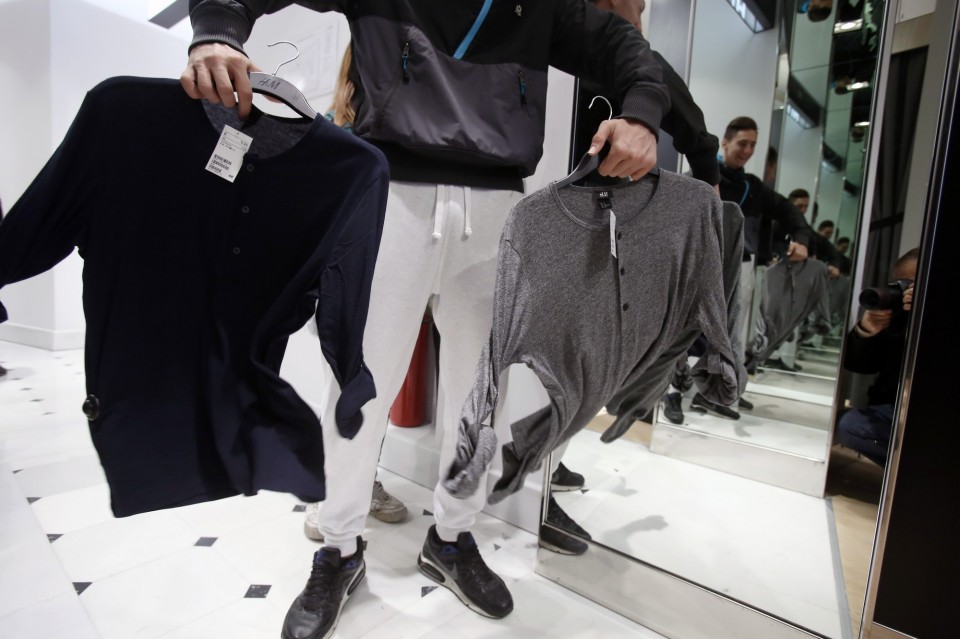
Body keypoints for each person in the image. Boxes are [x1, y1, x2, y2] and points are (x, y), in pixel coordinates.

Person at [181, 2, 669, 638]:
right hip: (391, 190)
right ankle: (339, 547)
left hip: (498, 203)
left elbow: (620, 44)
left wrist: (643, 112)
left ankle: (452, 537)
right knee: (359, 384)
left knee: (480, 395)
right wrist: (217, 31)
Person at [301, 42, 409, 542]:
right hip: (342, 283)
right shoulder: (331, 129)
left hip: (393, 275)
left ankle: (365, 482)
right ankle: (328, 492)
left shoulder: (406, 132)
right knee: (342, 390)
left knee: (376, 394)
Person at [837, 248, 918, 466]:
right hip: (893, 409)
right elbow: (859, 365)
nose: (904, 292)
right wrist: (865, 331)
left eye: (911, 285)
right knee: (849, 426)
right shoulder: (894, 317)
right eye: (899, 285)